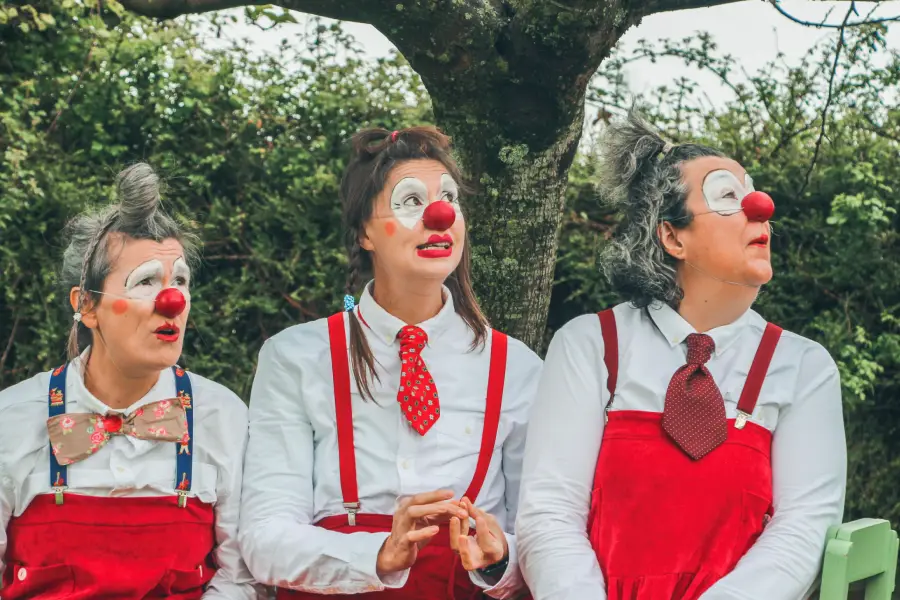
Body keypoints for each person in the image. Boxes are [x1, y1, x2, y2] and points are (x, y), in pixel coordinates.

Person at [516, 113, 847, 600]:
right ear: (673, 237)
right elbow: (549, 512)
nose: (760, 208)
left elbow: (804, 528)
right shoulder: (589, 345)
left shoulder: (804, 367)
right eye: (727, 198)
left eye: (751, 192)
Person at [239, 126, 541, 599]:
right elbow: (262, 537)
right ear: (364, 232)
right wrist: (377, 556)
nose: (440, 215)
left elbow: (548, 536)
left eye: (448, 199)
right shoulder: (295, 358)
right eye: (410, 202)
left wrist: (502, 560)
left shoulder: (518, 368)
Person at [0, 164, 258, 599]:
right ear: (86, 306)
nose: (172, 301)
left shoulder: (223, 416)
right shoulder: (12, 417)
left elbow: (240, 578)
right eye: (145, 284)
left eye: (180, 281)